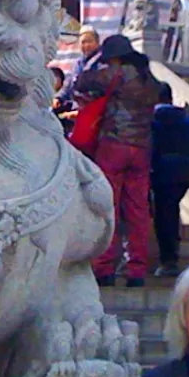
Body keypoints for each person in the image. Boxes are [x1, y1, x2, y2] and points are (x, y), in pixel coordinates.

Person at [74, 33, 159, 287]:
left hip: (113, 146)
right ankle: (136, 270)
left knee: (107, 207)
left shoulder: (116, 72)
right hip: (142, 149)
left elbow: (81, 81)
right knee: (137, 211)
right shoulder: (149, 79)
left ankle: (105, 268)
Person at [150, 81, 189, 278]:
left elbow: (149, 146)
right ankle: (170, 257)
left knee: (161, 216)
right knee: (170, 212)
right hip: (183, 174)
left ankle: (167, 260)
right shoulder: (185, 118)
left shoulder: (152, 118)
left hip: (159, 172)